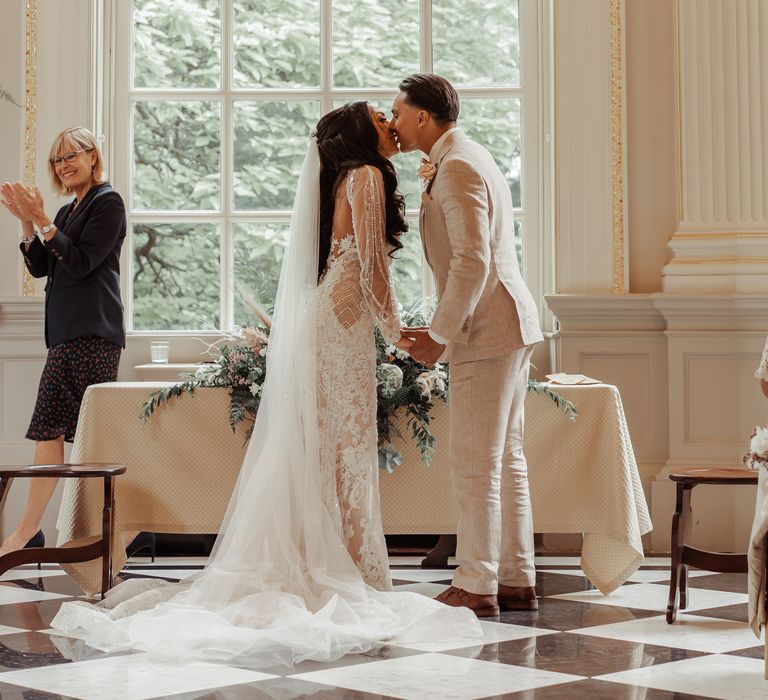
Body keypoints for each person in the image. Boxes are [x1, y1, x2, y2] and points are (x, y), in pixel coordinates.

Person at [51, 102, 480, 666]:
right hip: (343, 332)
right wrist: (400, 333)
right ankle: (350, 571)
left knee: (327, 449)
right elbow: (373, 266)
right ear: (361, 131)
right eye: (380, 116)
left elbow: (352, 264)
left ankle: (332, 563)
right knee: (344, 449)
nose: (390, 122)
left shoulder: (346, 176)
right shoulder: (370, 175)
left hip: (331, 324)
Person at [391, 74, 544, 616]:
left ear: (423, 118)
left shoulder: (455, 165)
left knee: (475, 462)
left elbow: (472, 260)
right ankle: (516, 576)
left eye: (399, 113)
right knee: (507, 458)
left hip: (487, 329)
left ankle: (477, 584)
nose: (393, 121)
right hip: (508, 322)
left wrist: (437, 335)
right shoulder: (469, 155)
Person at [0, 127, 125, 559]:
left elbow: (83, 262)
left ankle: (114, 534)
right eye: (57, 159)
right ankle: (31, 531)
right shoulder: (68, 209)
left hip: (92, 334)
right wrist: (26, 220)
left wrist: (45, 221)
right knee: (52, 430)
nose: (63, 164)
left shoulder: (107, 202)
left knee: (86, 438)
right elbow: (40, 267)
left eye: (72, 155)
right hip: (67, 337)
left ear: (94, 157)